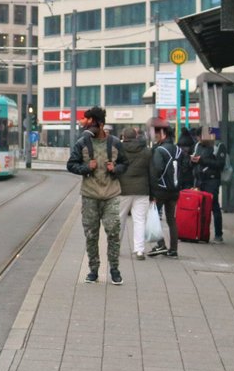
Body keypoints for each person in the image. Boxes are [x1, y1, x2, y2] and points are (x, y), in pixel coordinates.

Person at [66, 106, 127, 285]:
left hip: (111, 194)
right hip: (90, 195)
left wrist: (115, 169)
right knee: (91, 234)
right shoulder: (82, 143)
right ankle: (93, 270)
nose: (85, 125)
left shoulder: (115, 143)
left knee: (113, 231)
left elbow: (125, 163)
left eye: (89, 121)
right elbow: (71, 165)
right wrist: (86, 168)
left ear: (100, 124)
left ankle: (114, 269)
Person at [147, 118, 181, 258]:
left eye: (156, 134)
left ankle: (161, 245)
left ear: (163, 133)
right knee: (171, 220)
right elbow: (184, 169)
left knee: (153, 217)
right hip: (174, 190)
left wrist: (151, 192)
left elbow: (156, 171)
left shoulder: (159, 150)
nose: (154, 137)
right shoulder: (178, 150)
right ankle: (173, 250)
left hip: (160, 190)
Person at [117, 126, 152, 261]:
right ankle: (139, 251)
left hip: (122, 190)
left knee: (119, 219)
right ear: (136, 137)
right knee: (140, 220)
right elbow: (152, 173)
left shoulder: (118, 150)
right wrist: (152, 193)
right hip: (142, 190)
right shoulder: (146, 152)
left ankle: (115, 248)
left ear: (123, 137)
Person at [192, 128, 227, 243]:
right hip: (199, 179)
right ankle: (199, 233)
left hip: (212, 180)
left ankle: (218, 234)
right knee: (199, 208)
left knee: (214, 207)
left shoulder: (219, 146)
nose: (198, 139)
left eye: (200, 136)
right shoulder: (198, 146)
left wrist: (202, 160)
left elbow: (220, 164)